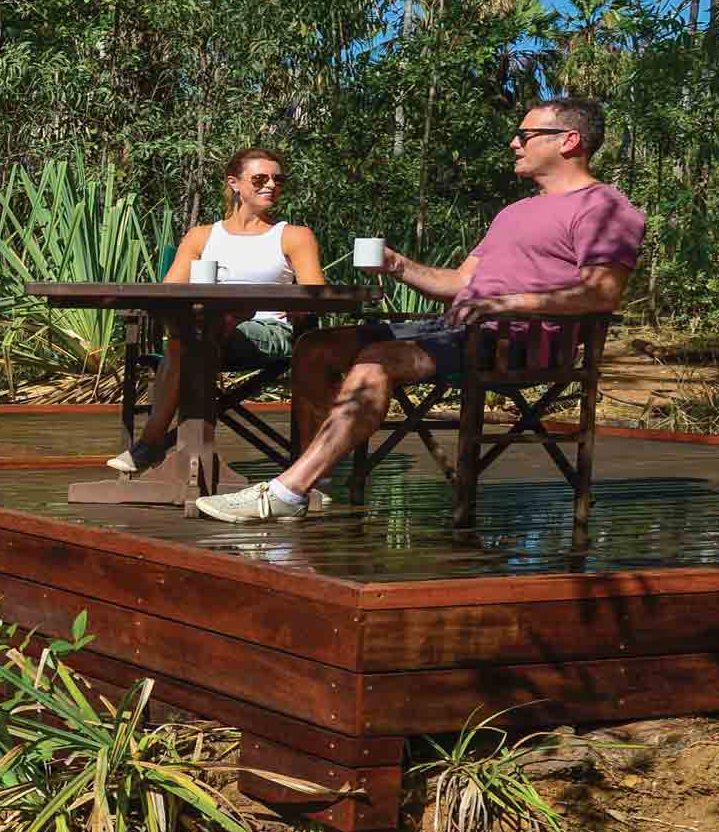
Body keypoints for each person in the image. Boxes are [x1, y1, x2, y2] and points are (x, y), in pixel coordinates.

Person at [193, 96, 645, 523]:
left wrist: (507, 303)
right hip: (457, 330)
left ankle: (286, 493)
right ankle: (312, 482)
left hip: (520, 342)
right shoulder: (515, 212)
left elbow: (601, 294)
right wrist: (398, 265)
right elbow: (461, 283)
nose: (514, 143)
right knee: (317, 346)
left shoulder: (604, 208)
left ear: (569, 141)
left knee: (379, 360)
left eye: (525, 135)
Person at [107, 146, 327, 475]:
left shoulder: (293, 236)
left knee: (187, 340)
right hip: (204, 332)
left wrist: (297, 308)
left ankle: (150, 444)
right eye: (260, 179)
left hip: (268, 331)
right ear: (234, 183)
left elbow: (316, 296)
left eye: (278, 180)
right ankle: (169, 451)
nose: (271, 185)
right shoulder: (202, 236)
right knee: (188, 339)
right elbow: (169, 292)